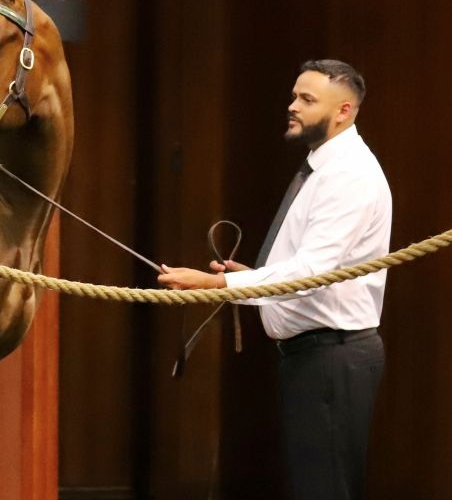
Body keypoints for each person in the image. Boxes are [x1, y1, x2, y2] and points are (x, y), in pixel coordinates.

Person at [159, 59, 391, 500]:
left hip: (332, 357)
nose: (293, 107)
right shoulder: (324, 166)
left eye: (306, 99)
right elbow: (309, 269)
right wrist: (252, 281)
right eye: (294, 96)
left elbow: (311, 274)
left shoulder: (349, 175)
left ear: (344, 111)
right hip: (315, 356)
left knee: (324, 491)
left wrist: (216, 287)